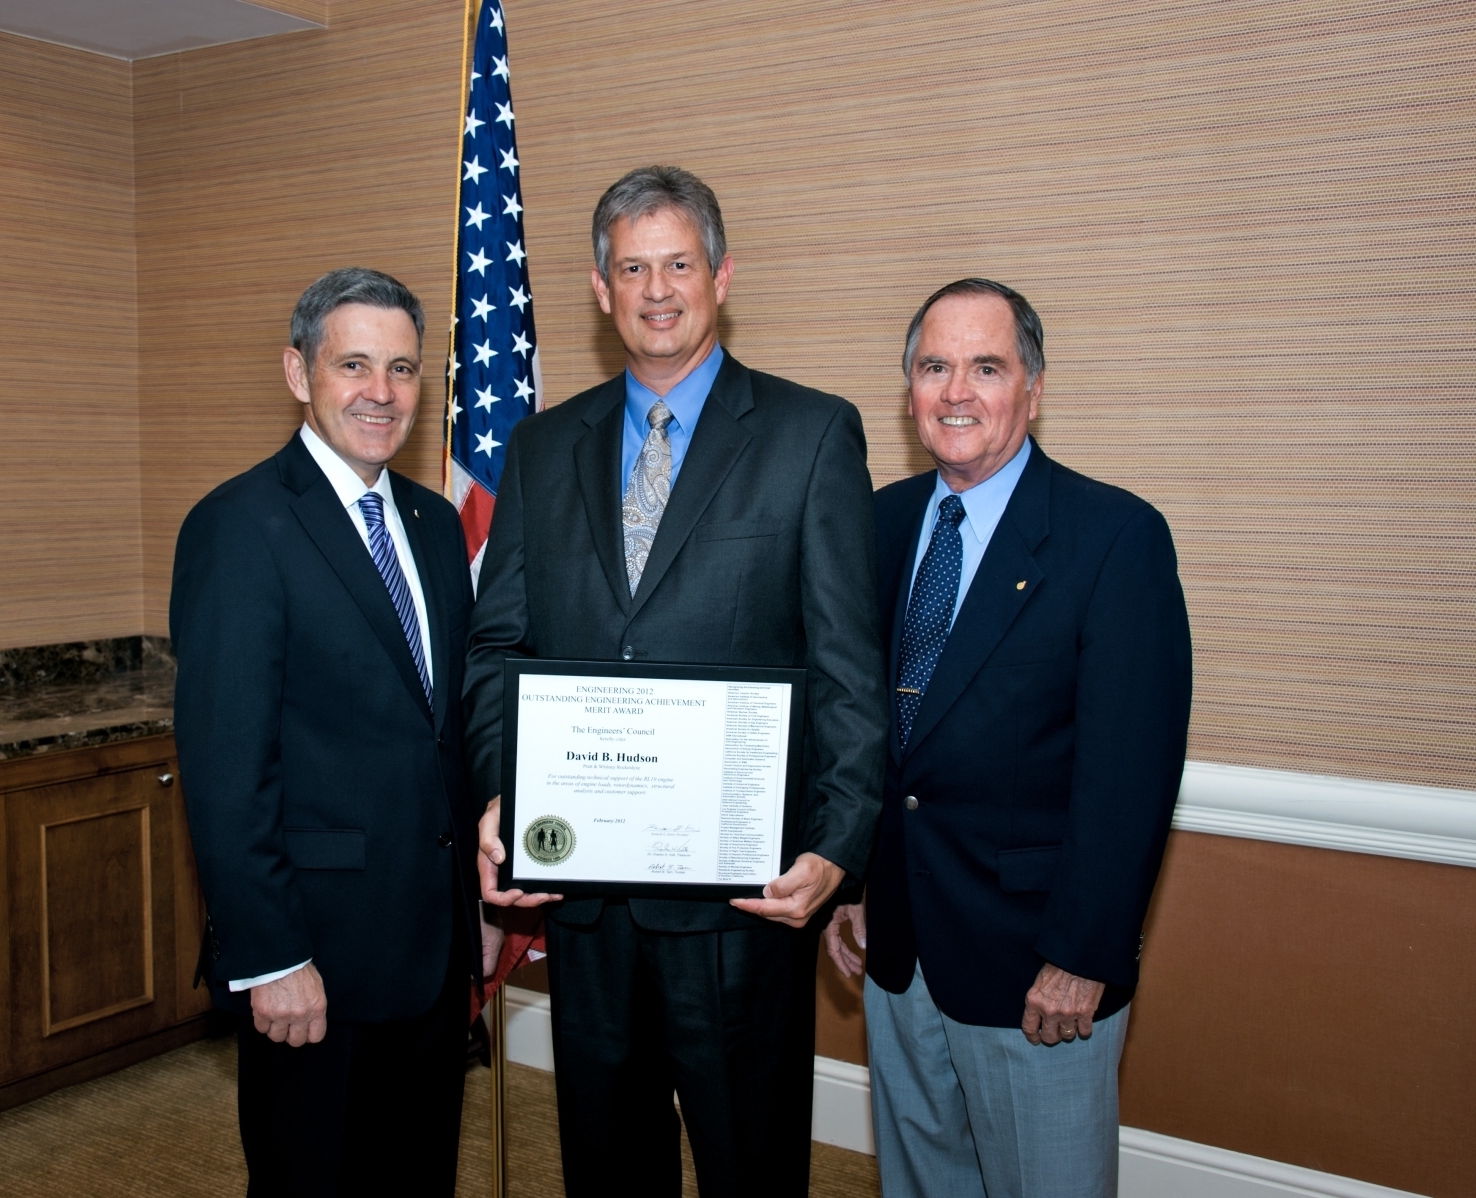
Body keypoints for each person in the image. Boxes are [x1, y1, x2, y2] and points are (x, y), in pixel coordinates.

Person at [463, 166, 887, 1197]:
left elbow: (846, 663)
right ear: (601, 290)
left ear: (722, 275)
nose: (658, 288)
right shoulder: (540, 444)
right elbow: (497, 651)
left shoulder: (810, 433)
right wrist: (496, 792)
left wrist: (839, 844)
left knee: (752, 1166)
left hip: (745, 904)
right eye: (632, 267)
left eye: (679, 263)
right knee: (608, 1168)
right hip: (588, 899)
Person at [825, 279, 1192, 1198]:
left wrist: (1084, 953)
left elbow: (1131, 771)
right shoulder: (877, 523)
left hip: (1039, 971)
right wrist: (856, 879)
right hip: (899, 952)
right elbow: (869, 727)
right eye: (934, 366)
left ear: (1032, 387)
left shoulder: (1115, 537)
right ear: (908, 387)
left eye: (986, 367)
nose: (957, 392)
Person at [171, 268, 481, 1196]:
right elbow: (226, 769)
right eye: (354, 365)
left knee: (415, 1176)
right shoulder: (239, 525)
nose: (381, 393)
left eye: (403, 369)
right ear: (299, 373)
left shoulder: (431, 526)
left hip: (428, 950)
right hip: (313, 958)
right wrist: (270, 956)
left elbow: (444, 732)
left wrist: (479, 908)